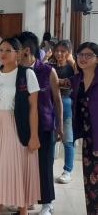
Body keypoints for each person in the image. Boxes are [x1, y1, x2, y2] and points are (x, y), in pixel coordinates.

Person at [0, 37, 41, 215]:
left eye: (8, 50)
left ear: (18, 53)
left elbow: (33, 108)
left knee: (15, 166)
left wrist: (34, 136)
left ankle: (22, 209)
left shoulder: (26, 74)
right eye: (1, 50)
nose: (3, 54)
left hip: (16, 124)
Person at [17, 31, 63, 215]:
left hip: (44, 125)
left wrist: (59, 125)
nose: (14, 52)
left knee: (44, 164)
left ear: (26, 50)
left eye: (16, 49)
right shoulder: (17, 72)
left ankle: (47, 202)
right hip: (23, 126)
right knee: (26, 165)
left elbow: (57, 100)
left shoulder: (47, 71)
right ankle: (28, 199)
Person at [67, 42, 98, 215]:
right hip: (89, 140)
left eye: (88, 55)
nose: (83, 58)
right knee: (91, 184)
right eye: (80, 55)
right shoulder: (76, 80)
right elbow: (53, 85)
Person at [51, 40, 76, 184]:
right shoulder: (51, 66)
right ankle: (48, 167)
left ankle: (67, 170)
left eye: (63, 51)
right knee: (50, 138)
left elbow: (76, 78)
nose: (59, 54)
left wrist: (72, 60)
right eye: (57, 51)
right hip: (51, 103)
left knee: (67, 138)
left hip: (66, 103)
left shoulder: (71, 67)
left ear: (69, 52)